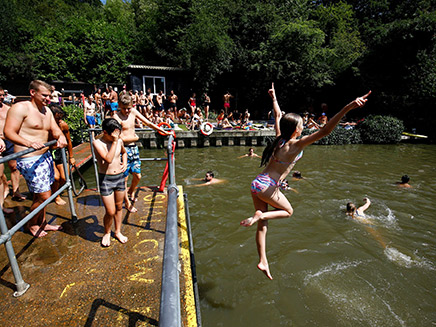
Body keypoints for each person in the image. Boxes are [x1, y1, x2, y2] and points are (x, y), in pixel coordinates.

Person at [240, 83, 370, 280]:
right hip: (268, 187)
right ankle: (258, 216)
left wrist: (274, 98)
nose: (304, 128)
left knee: (263, 224)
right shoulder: (296, 144)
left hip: (257, 183)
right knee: (288, 212)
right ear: (295, 130)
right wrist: (348, 107)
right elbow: (326, 130)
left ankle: (263, 260)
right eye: (302, 126)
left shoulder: (279, 139)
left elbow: (277, 116)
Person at [4, 80, 67, 237]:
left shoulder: (47, 111)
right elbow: (9, 132)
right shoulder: (20, 108)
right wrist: (29, 143)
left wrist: (60, 137)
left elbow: (55, 129)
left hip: (45, 156)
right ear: (33, 93)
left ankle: (43, 223)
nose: (48, 99)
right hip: (29, 158)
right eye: (45, 95)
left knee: (44, 194)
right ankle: (31, 225)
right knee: (44, 196)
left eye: (50, 96)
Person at [114, 93, 172, 212]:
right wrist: (135, 138)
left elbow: (148, 123)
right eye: (124, 108)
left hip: (134, 149)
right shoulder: (116, 118)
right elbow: (117, 139)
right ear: (119, 105)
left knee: (138, 176)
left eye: (129, 108)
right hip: (122, 150)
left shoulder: (134, 112)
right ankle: (127, 203)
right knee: (123, 179)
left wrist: (164, 131)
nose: (127, 111)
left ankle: (130, 192)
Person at [92, 118, 128, 247]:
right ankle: (107, 232)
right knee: (110, 211)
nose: (117, 137)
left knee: (119, 207)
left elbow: (124, 152)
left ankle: (117, 231)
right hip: (106, 179)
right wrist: (114, 141)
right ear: (105, 132)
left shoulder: (119, 141)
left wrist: (125, 162)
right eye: (114, 134)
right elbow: (108, 159)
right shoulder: (97, 143)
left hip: (119, 177)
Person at [0, 87, 26, 202]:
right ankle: (5, 186)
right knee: (0, 171)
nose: (1, 97)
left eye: (2, 95)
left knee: (14, 167)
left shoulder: (9, 109)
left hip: (9, 140)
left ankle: (16, 191)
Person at [50, 105, 75, 206]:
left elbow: (68, 141)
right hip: (49, 152)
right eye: (58, 118)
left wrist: (71, 156)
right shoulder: (46, 126)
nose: (60, 120)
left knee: (64, 177)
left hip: (60, 152)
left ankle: (57, 191)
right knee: (56, 177)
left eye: (61, 118)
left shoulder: (63, 125)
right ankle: (56, 196)